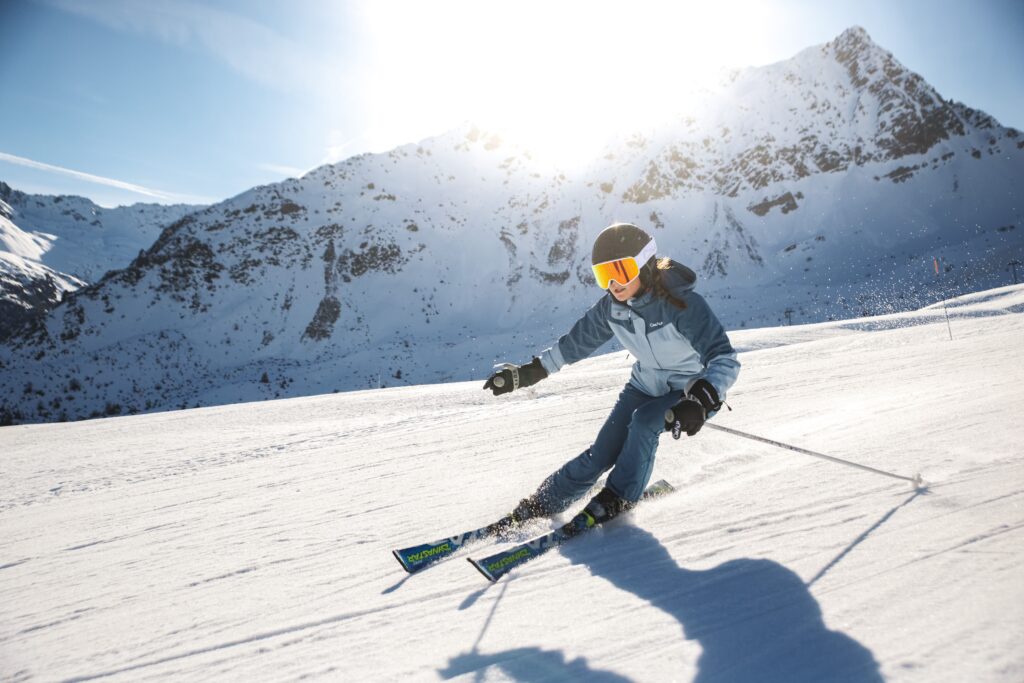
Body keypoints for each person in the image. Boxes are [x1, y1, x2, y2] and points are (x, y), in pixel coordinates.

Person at [483, 222, 740, 534]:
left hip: (692, 394)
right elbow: (574, 344)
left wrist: (702, 398)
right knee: (601, 453)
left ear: (645, 266)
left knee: (644, 423)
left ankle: (618, 496)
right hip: (645, 385)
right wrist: (529, 372)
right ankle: (543, 502)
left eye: (621, 271)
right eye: (604, 276)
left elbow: (724, 357)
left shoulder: (681, 304)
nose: (613, 284)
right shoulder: (612, 308)